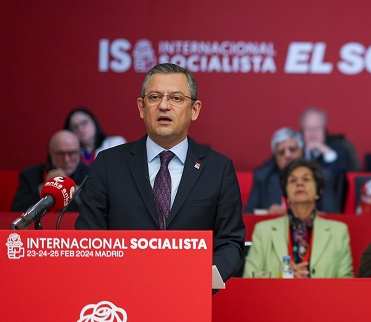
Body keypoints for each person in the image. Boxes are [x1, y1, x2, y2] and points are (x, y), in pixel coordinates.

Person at [75, 63, 245, 282]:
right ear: (141, 107)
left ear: (194, 110)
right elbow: (89, 238)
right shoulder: (109, 164)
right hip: (121, 292)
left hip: (191, 293)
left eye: (176, 98)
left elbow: (230, 243)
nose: (164, 106)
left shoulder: (218, 169)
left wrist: (202, 281)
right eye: (155, 97)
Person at [244, 159, 353, 278]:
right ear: (286, 194)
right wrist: (284, 279)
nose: (299, 183)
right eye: (293, 180)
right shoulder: (264, 231)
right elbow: (250, 277)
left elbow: (346, 280)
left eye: (306, 179)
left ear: (319, 192)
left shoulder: (338, 232)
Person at [244, 127, 340, 214]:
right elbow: (248, 215)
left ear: (302, 152)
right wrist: (267, 213)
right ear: (275, 157)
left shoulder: (322, 176)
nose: (287, 155)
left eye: (292, 149)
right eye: (281, 152)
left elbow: (332, 216)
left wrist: (312, 215)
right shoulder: (263, 177)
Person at [11, 130, 91, 212]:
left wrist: (72, 189)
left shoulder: (92, 174)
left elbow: (96, 211)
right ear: (50, 152)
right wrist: (44, 188)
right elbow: (16, 211)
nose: (66, 160)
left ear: (79, 152)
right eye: (60, 153)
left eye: (72, 153)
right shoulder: (30, 175)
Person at [300, 107, 357, 172]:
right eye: (308, 129)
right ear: (302, 131)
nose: (313, 133)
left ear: (325, 129)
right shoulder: (296, 149)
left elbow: (342, 172)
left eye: (317, 128)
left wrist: (327, 152)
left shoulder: (340, 148)